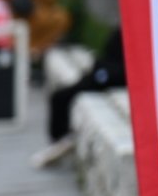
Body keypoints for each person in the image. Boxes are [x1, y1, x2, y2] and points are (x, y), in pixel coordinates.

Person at [33, 26, 125, 168]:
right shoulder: (122, 31)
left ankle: (61, 139)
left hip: (108, 78)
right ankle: (61, 140)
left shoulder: (125, 32)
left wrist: (101, 74)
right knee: (60, 95)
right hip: (104, 74)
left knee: (61, 97)